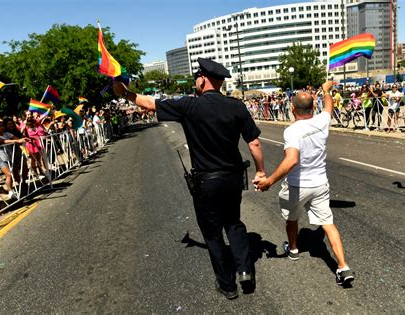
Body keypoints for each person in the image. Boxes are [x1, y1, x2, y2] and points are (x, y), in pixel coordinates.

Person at [112, 57, 266, 299]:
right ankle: (246, 271)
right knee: (234, 224)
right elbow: (254, 142)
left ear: (203, 79)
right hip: (233, 178)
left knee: (213, 233)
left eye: (197, 77)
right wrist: (261, 171)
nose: (196, 81)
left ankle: (227, 285)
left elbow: (150, 104)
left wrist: (126, 93)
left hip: (206, 182)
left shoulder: (189, 106)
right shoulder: (237, 106)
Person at [253, 80, 355, 286]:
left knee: (292, 219)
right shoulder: (322, 121)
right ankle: (343, 267)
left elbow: (291, 160)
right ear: (313, 107)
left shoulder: (292, 131)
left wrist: (269, 181)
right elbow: (329, 107)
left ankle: (293, 249)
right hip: (320, 183)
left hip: (297, 186)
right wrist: (326, 91)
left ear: (292, 109)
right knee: (328, 224)